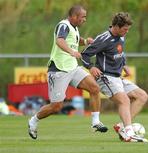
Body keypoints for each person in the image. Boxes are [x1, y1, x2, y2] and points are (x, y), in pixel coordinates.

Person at [28, 5, 108, 140]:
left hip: (73, 68)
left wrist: (85, 41)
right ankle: (33, 121)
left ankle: (95, 122)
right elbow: (60, 41)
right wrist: (72, 52)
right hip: (59, 69)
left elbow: (73, 41)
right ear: (74, 16)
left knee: (94, 88)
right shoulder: (63, 25)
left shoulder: (74, 28)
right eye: (83, 17)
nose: (85, 20)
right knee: (56, 106)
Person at [81, 12, 148, 142]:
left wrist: (124, 65)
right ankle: (128, 133)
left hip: (117, 77)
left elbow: (120, 52)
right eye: (125, 29)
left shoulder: (121, 36)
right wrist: (91, 67)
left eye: (128, 29)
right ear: (116, 26)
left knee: (142, 96)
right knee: (124, 100)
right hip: (105, 77)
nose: (127, 32)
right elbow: (84, 54)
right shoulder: (104, 38)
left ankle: (122, 126)